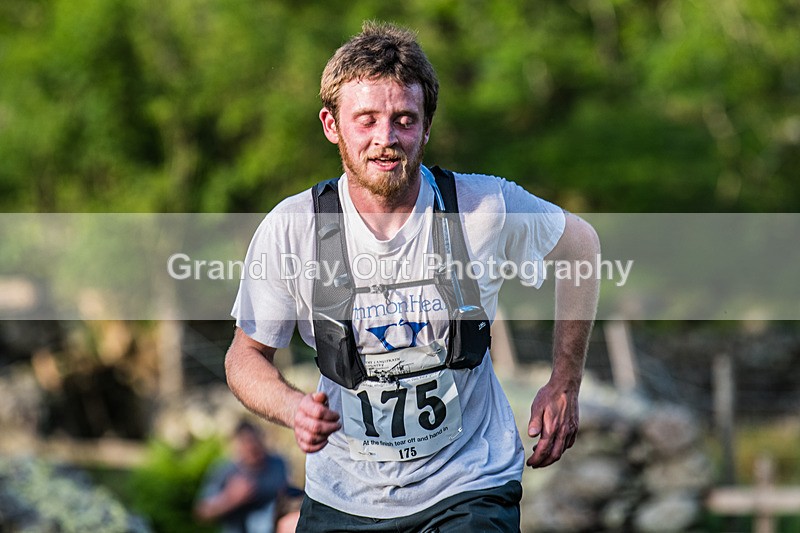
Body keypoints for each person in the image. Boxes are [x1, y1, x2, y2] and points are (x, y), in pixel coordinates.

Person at [225, 21, 600, 531]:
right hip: (345, 493)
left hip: (468, 482)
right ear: (331, 125)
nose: (387, 139)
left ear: (427, 127)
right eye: (367, 120)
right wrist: (293, 407)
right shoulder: (295, 227)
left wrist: (565, 381)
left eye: (404, 119)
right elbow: (245, 357)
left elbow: (581, 244)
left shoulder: (481, 208)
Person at [194, 420, 293, 533]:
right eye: (247, 447)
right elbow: (202, 512)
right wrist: (230, 498)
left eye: (255, 445)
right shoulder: (225, 470)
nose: (252, 450)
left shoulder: (277, 464)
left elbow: (287, 495)